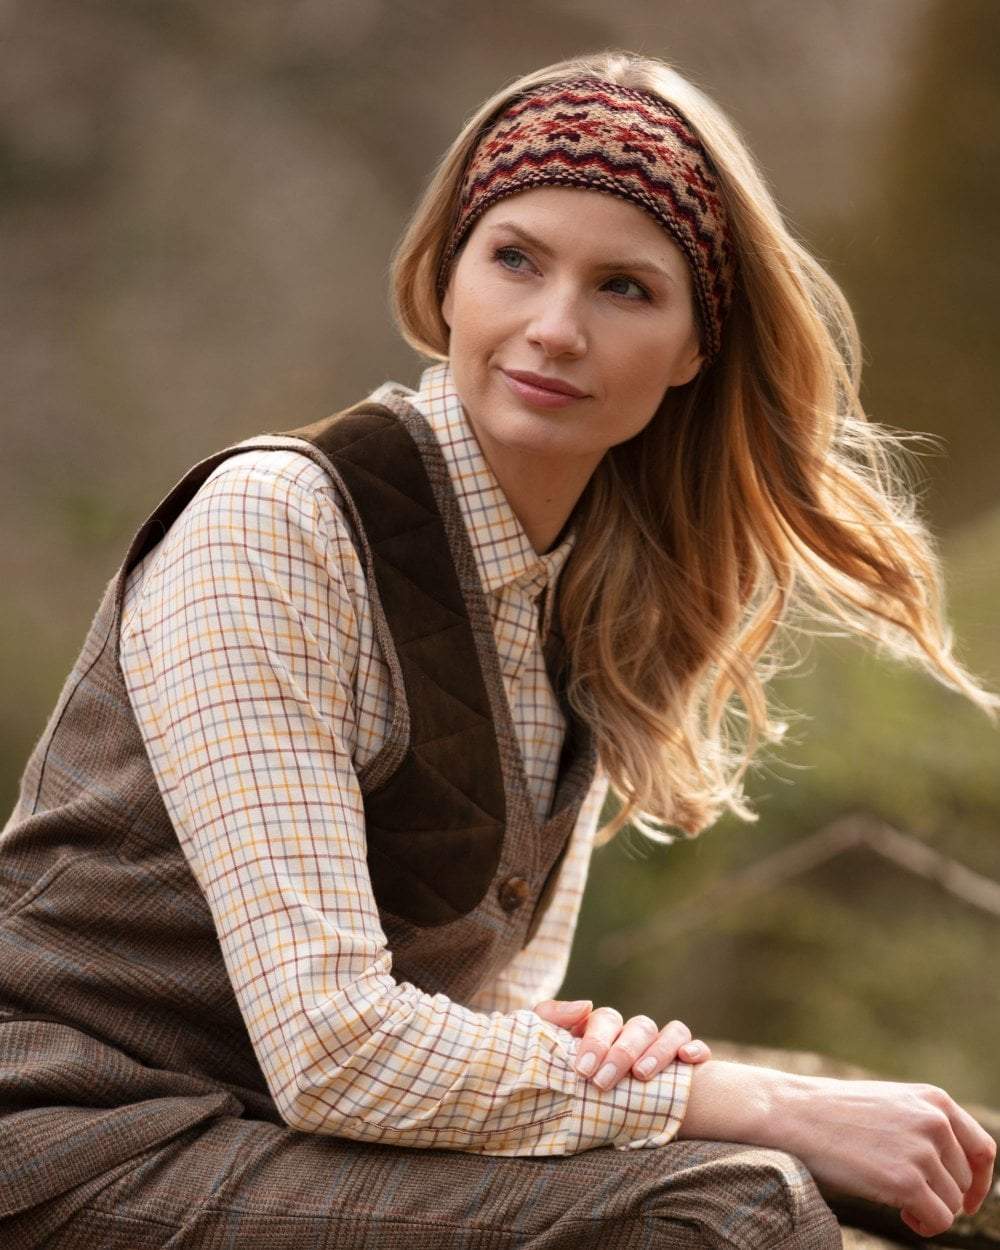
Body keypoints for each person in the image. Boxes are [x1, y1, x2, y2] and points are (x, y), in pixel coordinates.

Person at [0, 48, 995, 1250]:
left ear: (693, 347)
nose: (553, 328)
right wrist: (731, 1094)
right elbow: (334, 1048)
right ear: (449, 276)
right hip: (72, 1144)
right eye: (515, 258)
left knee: (862, 1193)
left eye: (625, 287)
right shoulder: (278, 523)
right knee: (731, 1208)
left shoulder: (585, 602)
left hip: (267, 1143)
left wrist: (598, 1057)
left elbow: (474, 1022)